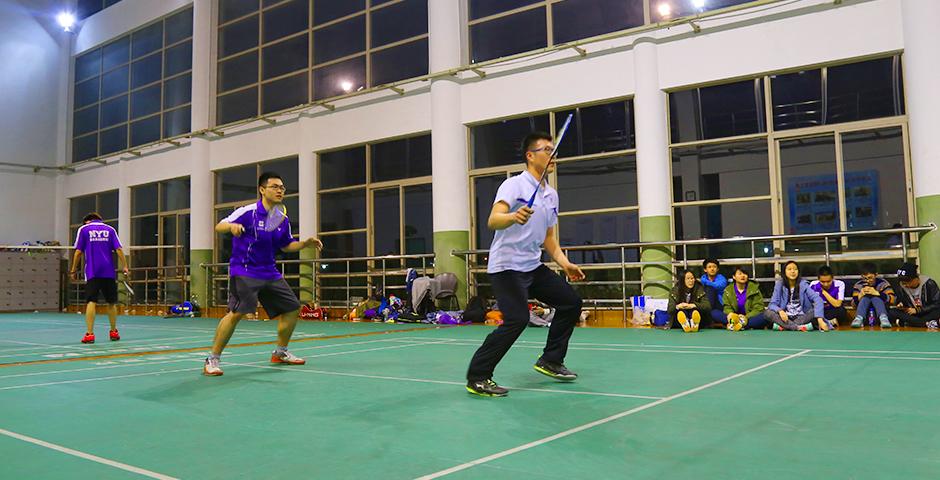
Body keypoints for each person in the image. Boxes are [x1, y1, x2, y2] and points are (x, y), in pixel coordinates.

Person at [465, 132, 586, 397]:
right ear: (530, 156)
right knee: (517, 320)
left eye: (554, 150)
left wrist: (565, 264)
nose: (552, 155)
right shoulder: (514, 185)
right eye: (546, 150)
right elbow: (493, 220)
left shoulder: (551, 195)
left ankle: (551, 360)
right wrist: (512, 216)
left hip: (532, 266)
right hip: (507, 266)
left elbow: (549, 238)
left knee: (570, 302)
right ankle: (478, 376)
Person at [204, 172, 322, 376]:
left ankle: (280, 352)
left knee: (292, 308)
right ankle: (212, 359)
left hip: (270, 271)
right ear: (262, 189)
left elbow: (286, 246)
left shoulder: (281, 218)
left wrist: (304, 243)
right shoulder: (247, 212)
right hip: (245, 269)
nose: (280, 191)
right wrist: (231, 226)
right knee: (237, 312)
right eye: (275, 187)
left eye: (282, 188)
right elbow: (219, 225)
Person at [69, 213, 129, 344]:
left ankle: (90, 334)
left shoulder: (84, 229)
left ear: (88, 221)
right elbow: (118, 249)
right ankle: (114, 331)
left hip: (93, 272)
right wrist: (125, 266)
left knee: (91, 301)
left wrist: (73, 269)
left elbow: (78, 252)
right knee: (111, 302)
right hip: (109, 272)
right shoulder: (110, 229)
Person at [766, 261, 828, 331]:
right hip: (785, 317)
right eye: (789, 269)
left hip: (801, 317)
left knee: (814, 311)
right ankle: (797, 327)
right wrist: (780, 311)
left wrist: (820, 320)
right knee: (768, 312)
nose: (793, 271)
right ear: (784, 272)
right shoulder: (779, 285)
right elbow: (772, 304)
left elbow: (818, 299)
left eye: (795, 269)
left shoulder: (803, 284)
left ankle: (785, 327)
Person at [888, 262, 940, 328]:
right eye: (902, 283)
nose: (905, 285)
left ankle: (914, 323)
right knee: (892, 312)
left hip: (927, 312)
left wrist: (918, 310)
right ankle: (928, 323)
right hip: (912, 313)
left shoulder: (929, 283)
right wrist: (900, 304)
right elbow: (901, 301)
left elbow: (937, 303)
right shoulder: (901, 286)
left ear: (915, 278)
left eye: (906, 282)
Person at [850, 262, 895, 329]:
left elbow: (893, 300)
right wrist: (860, 296)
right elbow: (853, 304)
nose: (867, 280)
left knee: (874, 296)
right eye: (865, 278)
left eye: (870, 278)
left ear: (876, 275)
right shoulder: (859, 285)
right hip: (865, 313)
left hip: (882, 311)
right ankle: (859, 318)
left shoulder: (883, 283)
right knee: (866, 296)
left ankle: (883, 318)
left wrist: (878, 293)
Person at [700, 258, 728, 328]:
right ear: (705, 269)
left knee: (710, 289)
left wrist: (705, 282)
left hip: (720, 304)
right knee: (712, 312)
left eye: (714, 267)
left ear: (718, 269)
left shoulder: (722, 279)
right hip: (709, 305)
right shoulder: (703, 279)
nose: (712, 269)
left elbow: (718, 285)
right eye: (709, 267)